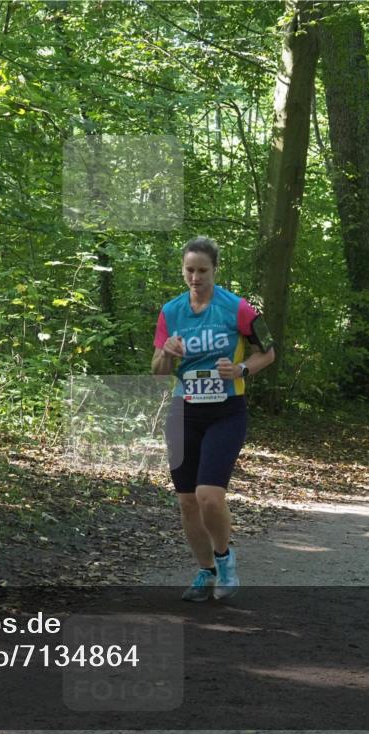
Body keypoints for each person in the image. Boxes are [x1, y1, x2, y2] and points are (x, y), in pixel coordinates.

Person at [152, 236, 275, 601]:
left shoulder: (237, 308)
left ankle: (225, 561)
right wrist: (167, 353)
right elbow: (158, 371)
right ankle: (205, 572)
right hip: (183, 412)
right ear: (182, 270)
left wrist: (240, 369)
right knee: (187, 500)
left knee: (208, 496)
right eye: (189, 270)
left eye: (202, 270)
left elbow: (267, 353)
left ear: (215, 271)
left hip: (226, 412)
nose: (195, 277)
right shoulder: (171, 312)